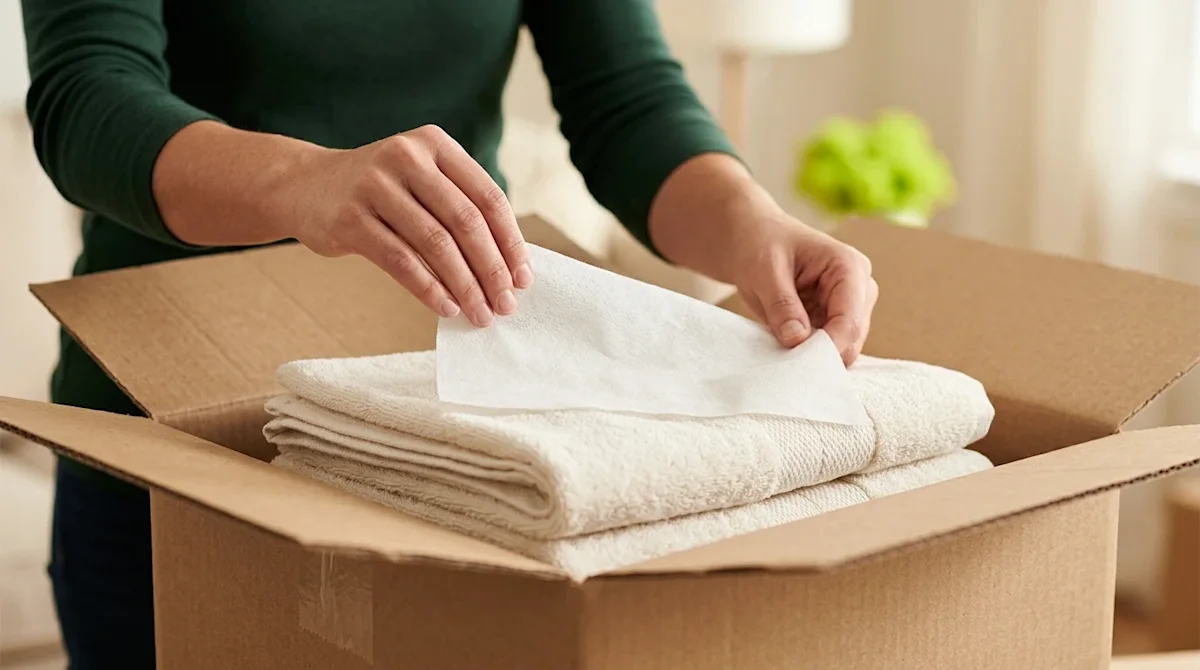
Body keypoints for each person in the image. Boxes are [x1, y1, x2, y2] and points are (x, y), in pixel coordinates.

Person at [20, 1, 878, 667]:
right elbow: (87, 97)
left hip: (442, 431)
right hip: (164, 424)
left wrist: (751, 225)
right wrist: (303, 181)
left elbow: (628, 101)